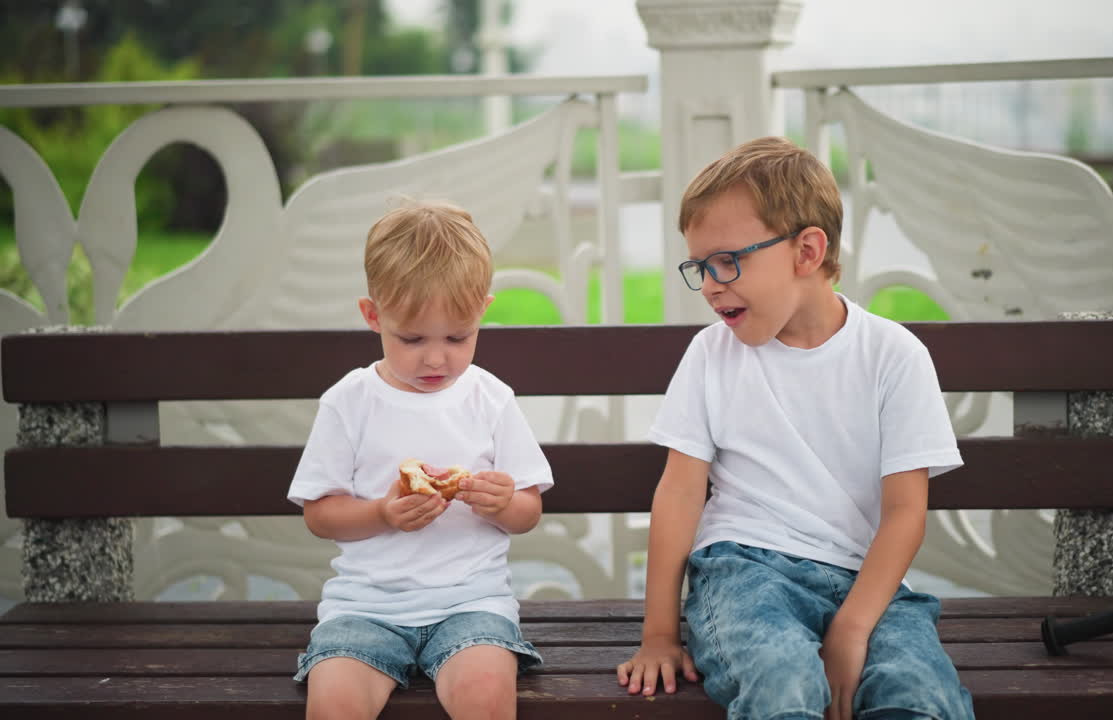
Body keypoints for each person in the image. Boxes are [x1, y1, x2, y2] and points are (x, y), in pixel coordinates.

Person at [616, 137, 975, 720]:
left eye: (728, 262)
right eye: (699, 267)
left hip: (866, 583)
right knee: (784, 681)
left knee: (921, 696)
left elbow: (906, 512)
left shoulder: (893, 355)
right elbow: (680, 493)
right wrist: (660, 633)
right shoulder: (712, 357)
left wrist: (853, 628)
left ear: (807, 251)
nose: (709, 284)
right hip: (745, 574)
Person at [287, 201, 553, 720]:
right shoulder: (350, 402)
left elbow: (528, 511)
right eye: (412, 339)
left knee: (485, 695)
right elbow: (319, 514)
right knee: (335, 702)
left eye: (457, 337)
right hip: (365, 607)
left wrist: (500, 503)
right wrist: (381, 514)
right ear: (372, 315)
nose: (436, 358)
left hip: (471, 604)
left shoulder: (490, 399)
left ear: (482, 309)